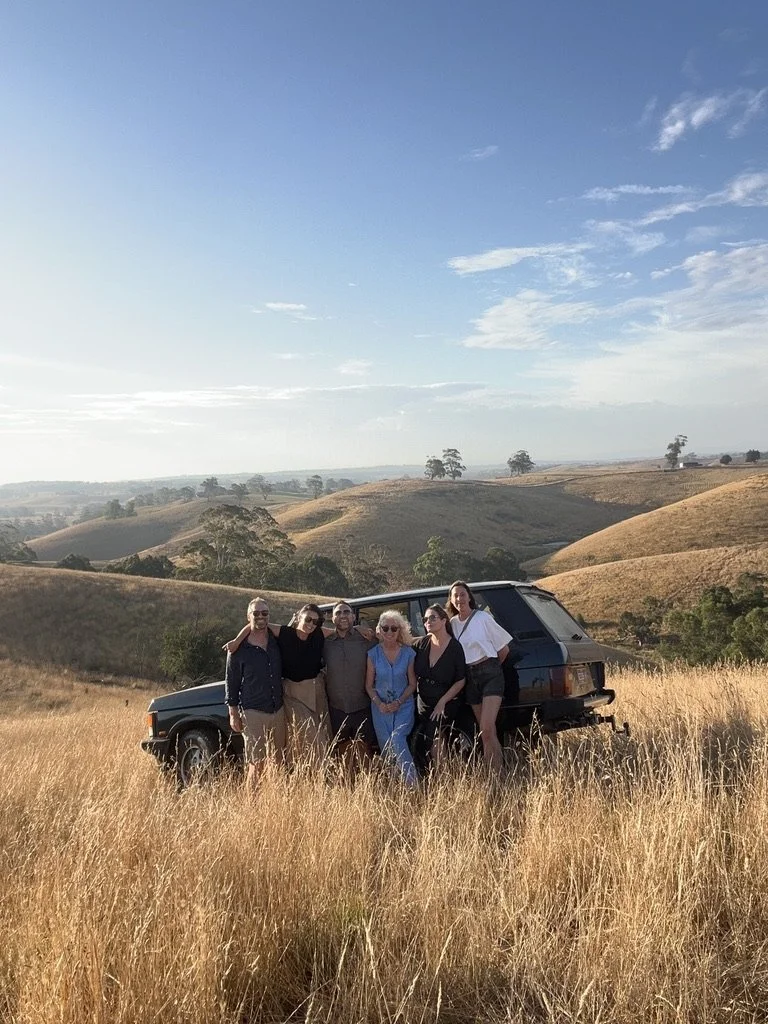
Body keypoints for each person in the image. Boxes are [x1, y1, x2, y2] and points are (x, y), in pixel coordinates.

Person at [225, 603, 328, 768]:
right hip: (269, 701)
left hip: (288, 703)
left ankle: (283, 787)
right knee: (257, 762)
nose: (311, 624)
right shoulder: (281, 634)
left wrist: (361, 629)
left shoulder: (278, 641)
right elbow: (255, 625)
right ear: (298, 617)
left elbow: (340, 630)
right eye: (308, 619)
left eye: (315, 622)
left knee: (280, 757)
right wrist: (237, 641)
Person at [447, 580, 512, 771]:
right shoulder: (452, 624)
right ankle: (496, 771)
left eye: (462, 594)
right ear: (451, 600)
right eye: (455, 596)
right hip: (469, 678)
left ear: (469, 596)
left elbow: (504, 649)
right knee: (486, 732)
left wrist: (491, 667)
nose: (459, 599)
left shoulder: (482, 618)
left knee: (486, 727)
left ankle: (496, 771)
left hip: (490, 673)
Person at [224, 597, 285, 791]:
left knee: (279, 761)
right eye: (256, 613)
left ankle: (274, 802)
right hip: (252, 712)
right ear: (248, 616)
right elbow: (231, 681)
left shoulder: (276, 640)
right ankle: (253, 804)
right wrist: (233, 713)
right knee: (256, 763)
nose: (260, 617)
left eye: (264, 613)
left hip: (278, 709)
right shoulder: (238, 649)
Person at [365, 610, 419, 787]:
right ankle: (395, 787)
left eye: (393, 628)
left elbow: (412, 684)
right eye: (385, 628)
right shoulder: (373, 654)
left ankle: (413, 785)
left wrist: (399, 702)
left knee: (397, 739)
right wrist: (379, 703)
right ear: (379, 630)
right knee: (387, 747)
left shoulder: (409, 653)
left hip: (403, 706)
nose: (389, 632)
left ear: (400, 630)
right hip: (380, 708)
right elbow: (368, 685)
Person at [323, 601, 377, 775]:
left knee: (365, 750)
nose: (343, 616)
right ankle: (348, 789)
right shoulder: (326, 643)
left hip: (362, 705)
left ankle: (368, 788)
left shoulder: (366, 639)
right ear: (332, 618)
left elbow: (392, 642)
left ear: (354, 616)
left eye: (347, 612)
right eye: (338, 613)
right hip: (337, 707)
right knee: (343, 751)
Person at [412, 604, 466, 769]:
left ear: (444, 620)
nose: (428, 621)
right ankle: (437, 776)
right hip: (423, 701)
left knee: (434, 734)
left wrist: (442, 702)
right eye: (426, 619)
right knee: (428, 737)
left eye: (433, 617)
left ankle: (443, 778)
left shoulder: (455, 647)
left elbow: (461, 680)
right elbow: (398, 641)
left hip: (445, 701)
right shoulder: (421, 643)